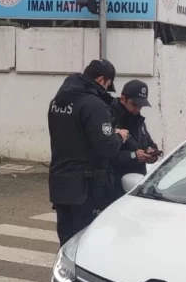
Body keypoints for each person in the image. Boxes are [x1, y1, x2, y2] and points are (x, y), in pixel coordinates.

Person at [48, 59, 129, 247]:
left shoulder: (58, 101)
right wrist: (120, 137)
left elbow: (71, 135)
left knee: (66, 240)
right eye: (108, 85)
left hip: (61, 183)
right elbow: (107, 147)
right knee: (85, 243)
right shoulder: (93, 104)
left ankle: (65, 274)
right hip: (87, 188)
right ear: (102, 80)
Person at [110, 80, 161, 200]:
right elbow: (105, 153)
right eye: (134, 104)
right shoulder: (109, 117)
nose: (138, 109)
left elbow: (149, 143)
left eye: (141, 105)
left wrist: (152, 153)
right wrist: (133, 155)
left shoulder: (138, 121)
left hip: (136, 185)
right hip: (115, 187)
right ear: (123, 99)